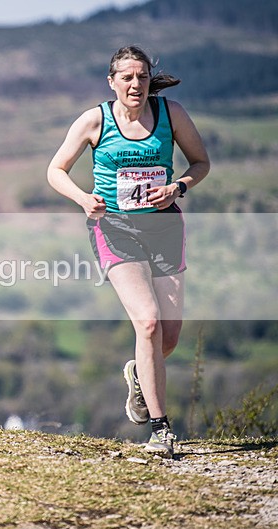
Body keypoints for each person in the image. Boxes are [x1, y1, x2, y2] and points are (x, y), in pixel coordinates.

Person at [47, 45, 210, 458]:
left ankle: (139, 374)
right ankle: (160, 429)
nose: (135, 84)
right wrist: (84, 198)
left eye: (141, 76)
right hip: (114, 228)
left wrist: (179, 186)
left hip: (165, 228)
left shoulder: (171, 114)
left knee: (167, 338)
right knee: (149, 323)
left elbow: (200, 162)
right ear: (112, 82)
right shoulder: (94, 120)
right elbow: (55, 170)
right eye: (127, 77)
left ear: (148, 78)